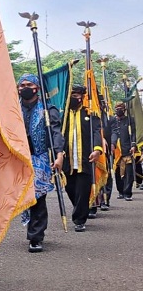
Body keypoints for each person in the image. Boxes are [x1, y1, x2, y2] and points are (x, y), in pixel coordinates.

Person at [17, 74, 65, 253]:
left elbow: (56, 133)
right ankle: (31, 227)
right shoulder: (13, 109)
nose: (25, 88)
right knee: (24, 197)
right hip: (19, 158)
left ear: (36, 88)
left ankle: (36, 236)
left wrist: (59, 155)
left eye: (29, 84)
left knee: (38, 197)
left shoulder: (48, 109)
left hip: (40, 158)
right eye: (22, 85)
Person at [61, 84, 103, 233]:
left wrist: (97, 149)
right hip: (67, 161)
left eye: (77, 95)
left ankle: (79, 220)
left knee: (83, 191)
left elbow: (97, 132)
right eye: (71, 94)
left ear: (83, 96)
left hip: (85, 159)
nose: (74, 97)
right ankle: (80, 208)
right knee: (70, 189)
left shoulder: (90, 113)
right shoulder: (62, 114)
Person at [112, 102, 137, 201]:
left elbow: (133, 133)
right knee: (118, 173)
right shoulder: (113, 121)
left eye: (121, 108)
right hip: (117, 151)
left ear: (125, 109)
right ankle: (121, 192)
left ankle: (127, 193)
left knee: (129, 173)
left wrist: (133, 145)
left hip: (128, 149)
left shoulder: (130, 120)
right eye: (117, 108)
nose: (119, 109)